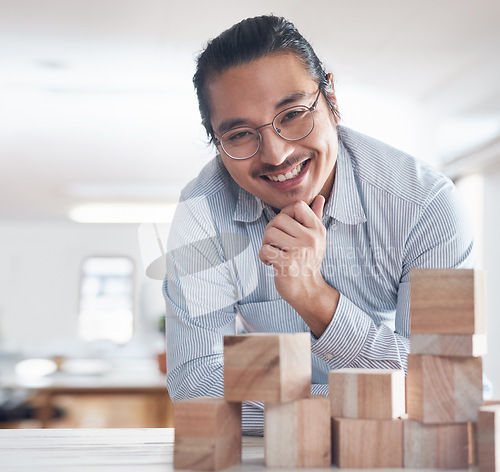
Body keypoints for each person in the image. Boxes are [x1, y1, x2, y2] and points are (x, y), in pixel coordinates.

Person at [163, 15, 474, 435]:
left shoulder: (425, 204)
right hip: (284, 457)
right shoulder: (202, 213)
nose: (275, 154)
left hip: (404, 449)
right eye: (239, 134)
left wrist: (314, 298)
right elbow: (195, 387)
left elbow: (445, 387)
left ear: (331, 99)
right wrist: (359, 402)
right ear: (217, 143)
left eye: (292, 113)